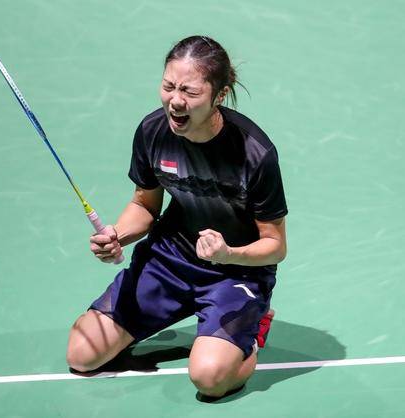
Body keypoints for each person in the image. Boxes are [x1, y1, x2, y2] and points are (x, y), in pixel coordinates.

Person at [66, 35, 288, 398]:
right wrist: (118, 235)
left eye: (190, 91)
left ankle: (253, 330)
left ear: (219, 95)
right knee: (82, 356)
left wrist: (228, 254)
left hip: (236, 272)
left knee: (210, 379)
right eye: (169, 86)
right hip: (170, 261)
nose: (175, 100)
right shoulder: (153, 132)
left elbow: (275, 246)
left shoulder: (254, 154)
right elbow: (144, 205)